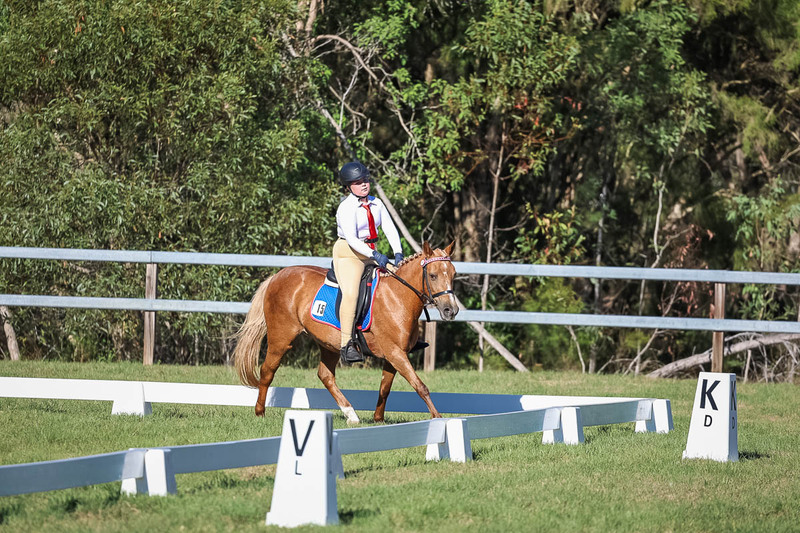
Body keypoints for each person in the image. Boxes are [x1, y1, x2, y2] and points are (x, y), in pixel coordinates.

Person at [334, 161, 404, 364]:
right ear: (348, 186)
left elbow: (389, 228)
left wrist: (397, 253)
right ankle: (346, 344)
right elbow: (354, 240)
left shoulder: (377, 203)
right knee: (352, 293)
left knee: (399, 280)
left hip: (371, 252)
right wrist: (376, 256)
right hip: (349, 252)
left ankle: (404, 335)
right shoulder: (346, 208)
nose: (363, 184)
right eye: (357, 182)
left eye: (365, 180)